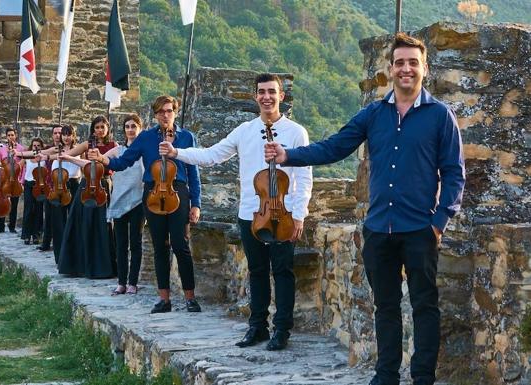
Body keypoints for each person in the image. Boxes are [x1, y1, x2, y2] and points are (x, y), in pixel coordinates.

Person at [264, 33, 465, 385]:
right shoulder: (374, 113)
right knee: (385, 308)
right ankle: (386, 375)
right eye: (400, 62)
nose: (406, 69)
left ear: (425, 69)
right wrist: (288, 156)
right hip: (378, 230)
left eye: (413, 63)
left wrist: (439, 222)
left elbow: (454, 174)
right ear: (389, 69)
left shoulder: (440, 116)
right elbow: (335, 147)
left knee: (424, 307)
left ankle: (422, 378)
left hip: (420, 229)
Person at [159, 74, 313, 350]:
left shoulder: (295, 132)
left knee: (282, 271)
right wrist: (177, 153)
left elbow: (304, 176)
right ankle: (257, 327)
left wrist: (300, 214)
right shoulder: (244, 130)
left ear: (282, 97)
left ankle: (282, 330)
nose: (267, 97)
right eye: (262, 92)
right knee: (256, 271)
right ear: (255, 96)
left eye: (272, 92)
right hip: (250, 212)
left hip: (285, 215)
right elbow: (211, 155)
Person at [90, 96, 202, 313]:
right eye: (161, 112)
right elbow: (124, 161)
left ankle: (190, 297)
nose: (165, 115)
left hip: (178, 191)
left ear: (175, 112)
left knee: (180, 245)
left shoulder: (187, 137)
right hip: (152, 192)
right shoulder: (146, 137)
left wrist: (195, 203)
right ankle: (164, 299)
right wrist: (103, 160)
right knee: (160, 246)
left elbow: (193, 172)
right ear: (155, 114)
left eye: (169, 111)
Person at [56, 116, 116, 279]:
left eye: (102, 127)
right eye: (96, 127)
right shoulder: (87, 144)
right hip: (86, 185)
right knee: (83, 222)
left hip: (104, 185)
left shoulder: (113, 145)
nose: (99, 130)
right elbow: (67, 155)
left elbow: (114, 165)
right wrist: (64, 156)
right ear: (92, 129)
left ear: (107, 128)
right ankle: (81, 265)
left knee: (103, 225)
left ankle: (103, 267)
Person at [107, 114, 145, 295]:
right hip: (119, 200)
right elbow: (98, 160)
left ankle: (133, 282)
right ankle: (121, 282)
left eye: (133, 126)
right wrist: (69, 158)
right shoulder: (118, 150)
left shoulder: (145, 151)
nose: (130, 129)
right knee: (120, 244)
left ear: (140, 129)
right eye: (127, 126)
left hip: (138, 201)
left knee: (135, 243)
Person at [41, 125, 81, 262]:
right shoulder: (56, 149)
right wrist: (20, 154)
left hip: (73, 185)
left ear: (73, 136)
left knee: (73, 221)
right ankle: (60, 257)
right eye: (64, 135)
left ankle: (74, 255)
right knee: (58, 222)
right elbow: (41, 154)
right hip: (58, 187)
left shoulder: (79, 149)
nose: (66, 137)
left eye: (69, 134)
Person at [0, 127, 25, 233]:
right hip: (4, 180)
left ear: (15, 136)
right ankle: (1, 226)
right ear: (6, 137)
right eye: (9, 135)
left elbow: (23, 166)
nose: (11, 137)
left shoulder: (21, 149)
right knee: (3, 203)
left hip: (16, 181)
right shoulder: (1, 149)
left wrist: (21, 180)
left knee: (14, 205)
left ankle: (12, 227)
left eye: (12, 135)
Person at [20, 137, 45, 245]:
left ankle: (36, 235)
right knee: (29, 209)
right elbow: (18, 167)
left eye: (38, 145)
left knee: (38, 210)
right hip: (29, 184)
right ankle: (26, 235)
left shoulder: (44, 158)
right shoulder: (27, 156)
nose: (36, 147)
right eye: (34, 145)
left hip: (40, 185)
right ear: (31, 146)